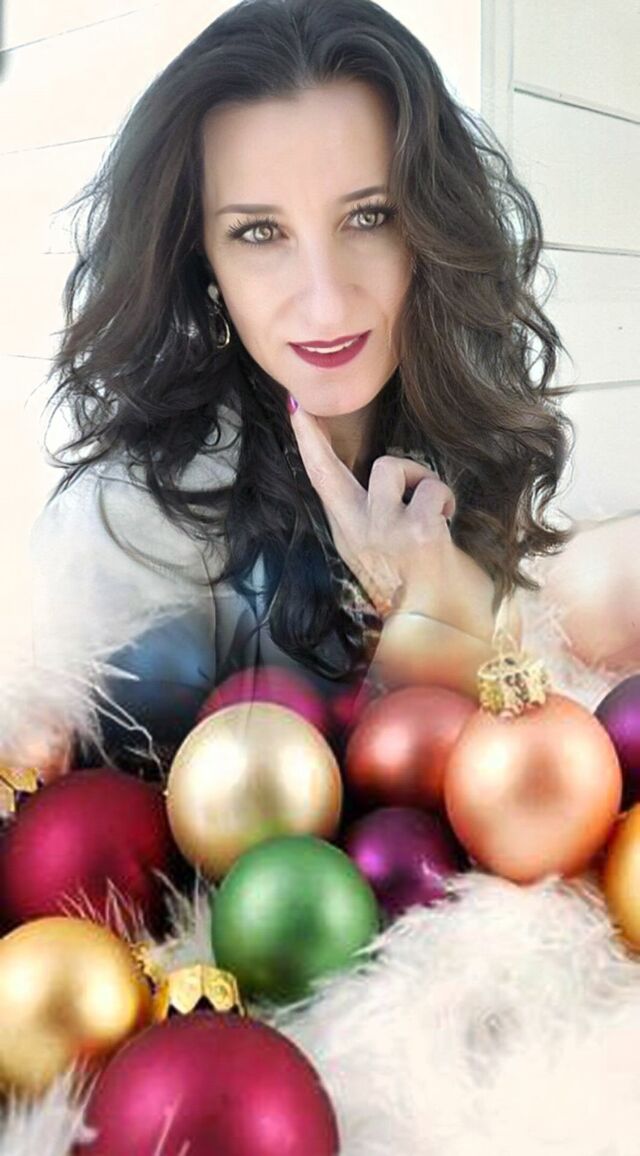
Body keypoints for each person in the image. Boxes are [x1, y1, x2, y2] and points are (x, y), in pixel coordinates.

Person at [27, 0, 576, 776]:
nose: (325, 303)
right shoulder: (127, 529)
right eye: (259, 232)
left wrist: (439, 602)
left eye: (370, 217)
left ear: (431, 226)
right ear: (199, 257)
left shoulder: (473, 448)